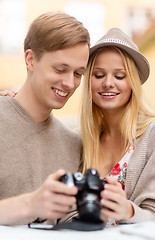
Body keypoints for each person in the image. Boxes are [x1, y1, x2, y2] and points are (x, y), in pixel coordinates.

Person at [0, 11, 90, 225]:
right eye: (60, 69)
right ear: (30, 60)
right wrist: (29, 204)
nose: (70, 83)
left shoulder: (73, 143)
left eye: (78, 73)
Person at [80, 28, 155, 224]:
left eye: (119, 76)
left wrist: (128, 211)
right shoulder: (81, 140)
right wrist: (16, 103)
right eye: (99, 75)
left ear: (133, 82)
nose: (108, 83)